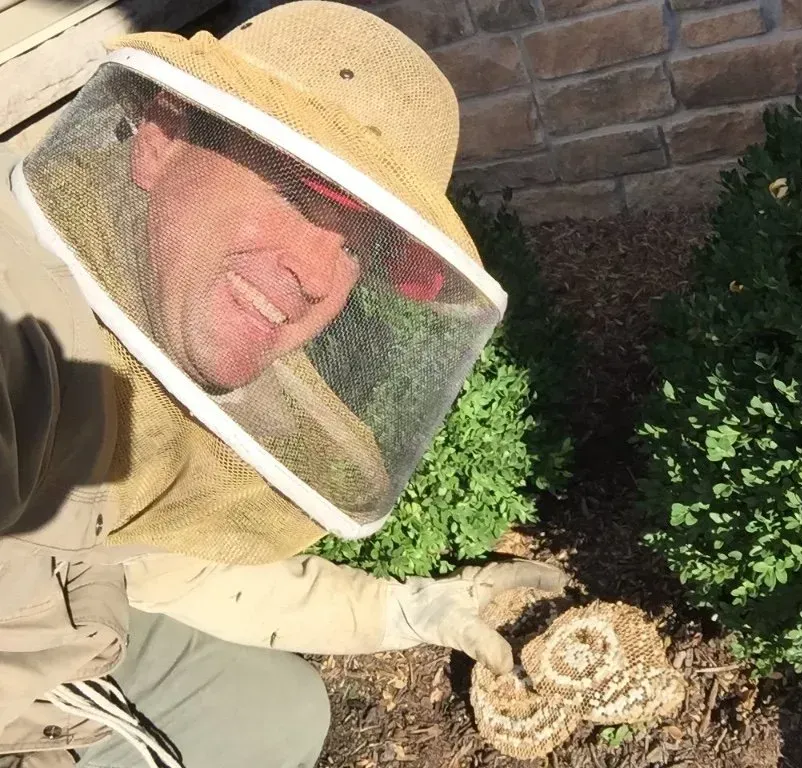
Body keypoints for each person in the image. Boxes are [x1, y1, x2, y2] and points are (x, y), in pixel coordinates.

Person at [0, 3, 567, 767]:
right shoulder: (20, 329)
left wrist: (400, 610)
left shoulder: (143, 333)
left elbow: (164, 566)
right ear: (163, 139)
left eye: (358, 246)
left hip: (74, 620)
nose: (319, 277)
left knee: (280, 713)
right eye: (300, 192)